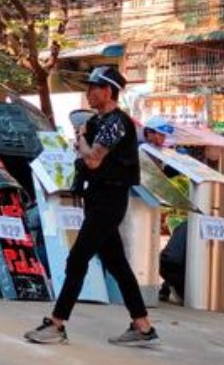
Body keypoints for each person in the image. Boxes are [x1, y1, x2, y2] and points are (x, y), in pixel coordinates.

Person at [24, 66, 159, 346]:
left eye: (93, 88)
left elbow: (93, 160)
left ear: (108, 91)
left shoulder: (116, 123)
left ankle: (57, 324)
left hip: (109, 201)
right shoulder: (102, 121)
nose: (88, 94)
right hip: (99, 198)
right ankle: (143, 326)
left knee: (77, 259)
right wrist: (84, 138)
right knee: (117, 264)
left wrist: (82, 138)